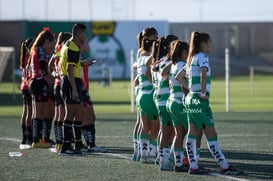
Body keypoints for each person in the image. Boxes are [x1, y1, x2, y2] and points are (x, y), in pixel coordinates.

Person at [176, 31, 242, 175]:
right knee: (211, 134)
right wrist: (203, 93)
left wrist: (192, 90)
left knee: (192, 133)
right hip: (199, 101)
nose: (211, 45)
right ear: (203, 44)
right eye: (210, 42)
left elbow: (179, 77)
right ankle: (224, 166)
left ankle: (193, 166)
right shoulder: (202, 57)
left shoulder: (190, 59)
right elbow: (203, 74)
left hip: (190, 100)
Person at [58, 23, 88, 156]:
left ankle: (77, 143)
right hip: (70, 82)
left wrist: (82, 64)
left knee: (79, 111)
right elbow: (69, 69)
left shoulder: (69, 45)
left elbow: (71, 65)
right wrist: (74, 89)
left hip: (72, 81)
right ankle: (65, 146)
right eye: (84, 34)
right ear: (79, 33)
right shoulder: (73, 47)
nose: (85, 36)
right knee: (70, 113)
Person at [151, 35, 178, 170]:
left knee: (166, 131)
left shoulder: (159, 60)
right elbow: (163, 73)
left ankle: (161, 156)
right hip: (164, 100)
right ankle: (164, 160)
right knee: (169, 132)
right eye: (175, 44)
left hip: (160, 99)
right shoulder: (167, 61)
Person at [163, 40, 190, 172]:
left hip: (172, 101)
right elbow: (181, 79)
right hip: (179, 102)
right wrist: (191, 90)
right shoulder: (181, 65)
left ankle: (177, 162)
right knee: (194, 131)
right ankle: (192, 161)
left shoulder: (173, 65)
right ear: (184, 52)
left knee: (180, 133)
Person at [135, 27, 159, 163]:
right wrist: (156, 84)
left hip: (140, 93)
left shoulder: (140, 54)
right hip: (149, 93)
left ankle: (141, 153)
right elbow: (148, 74)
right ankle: (152, 152)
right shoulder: (150, 57)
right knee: (157, 125)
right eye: (155, 38)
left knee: (143, 125)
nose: (157, 40)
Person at [28, 27, 55, 148]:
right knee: (39, 113)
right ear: (45, 41)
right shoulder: (41, 51)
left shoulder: (35, 50)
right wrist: (51, 84)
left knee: (37, 113)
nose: (52, 46)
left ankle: (39, 140)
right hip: (39, 83)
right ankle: (37, 140)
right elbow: (44, 70)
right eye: (51, 43)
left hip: (35, 82)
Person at [80, 39, 107, 153]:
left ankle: (89, 144)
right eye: (86, 42)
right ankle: (90, 145)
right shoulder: (76, 54)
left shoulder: (80, 56)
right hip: (80, 89)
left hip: (83, 89)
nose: (88, 45)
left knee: (90, 117)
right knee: (87, 117)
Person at [48, 32, 72, 153]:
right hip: (62, 84)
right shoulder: (64, 49)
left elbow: (49, 65)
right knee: (64, 115)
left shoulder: (56, 50)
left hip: (56, 84)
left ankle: (58, 143)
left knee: (58, 115)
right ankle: (63, 143)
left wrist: (53, 76)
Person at [19, 38, 33, 149]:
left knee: (26, 111)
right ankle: (29, 137)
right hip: (28, 86)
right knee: (30, 112)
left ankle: (25, 137)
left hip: (24, 85)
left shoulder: (24, 56)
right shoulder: (29, 56)